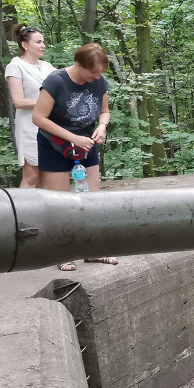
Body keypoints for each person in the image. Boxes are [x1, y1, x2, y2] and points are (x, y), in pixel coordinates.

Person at [32, 43, 117, 270]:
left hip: (86, 145)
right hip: (55, 145)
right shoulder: (56, 81)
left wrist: (102, 126)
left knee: (91, 200)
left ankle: (93, 250)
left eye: (100, 73)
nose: (97, 77)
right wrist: (72, 137)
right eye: (93, 72)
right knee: (60, 203)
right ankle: (63, 252)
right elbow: (39, 118)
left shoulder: (99, 81)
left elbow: (105, 111)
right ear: (78, 64)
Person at [5, 24, 55, 188]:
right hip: (29, 126)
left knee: (48, 175)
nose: (43, 45)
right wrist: (48, 101)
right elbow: (18, 101)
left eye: (43, 41)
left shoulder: (47, 66)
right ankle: (22, 213)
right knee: (32, 176)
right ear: (25, 45)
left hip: (51, 125)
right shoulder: (15, 66)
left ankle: (45, 212)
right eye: (38, 42)